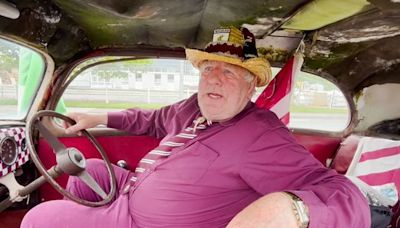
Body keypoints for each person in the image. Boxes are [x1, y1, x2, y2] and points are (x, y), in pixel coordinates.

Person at [21, 27, 370, 228]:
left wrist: (295, 209)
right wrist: (97, 118)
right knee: (92, 169)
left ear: (251, 86)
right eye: (208, 69)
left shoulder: (260, 133)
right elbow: (152, 119)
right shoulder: (196, 106)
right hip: (133, 190)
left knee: (40, 218)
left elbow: (345, 197)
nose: (214, 79)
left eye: (230, 71)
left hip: (141, 222)